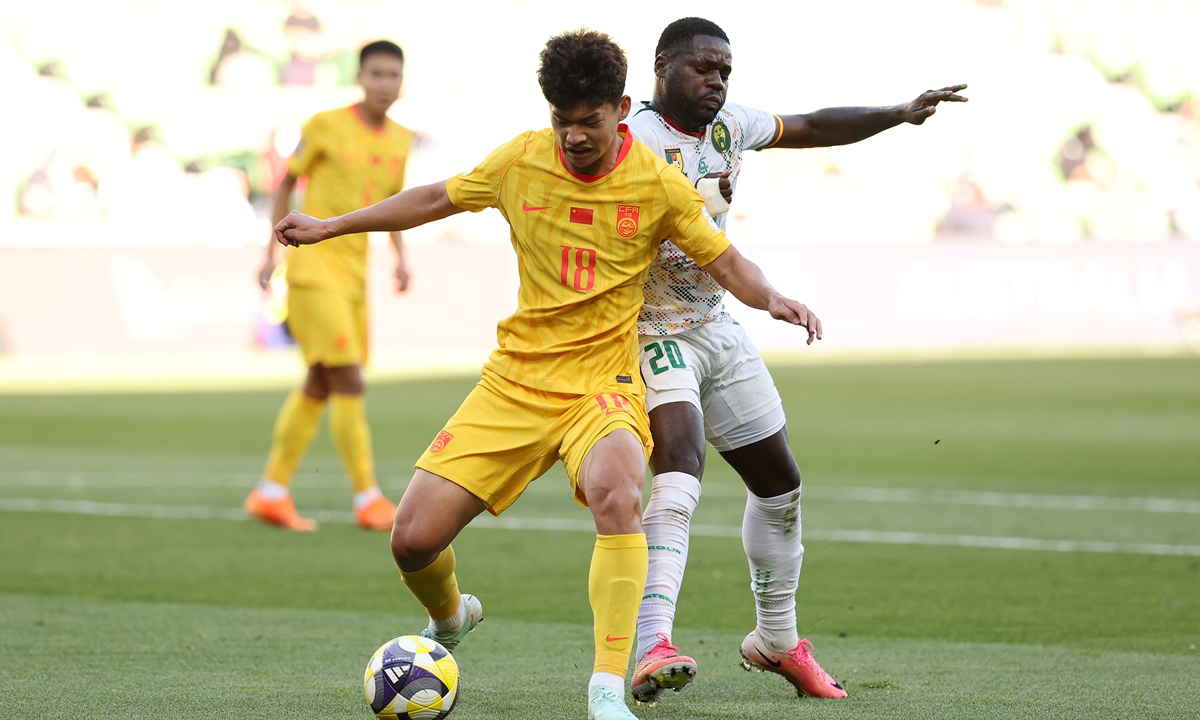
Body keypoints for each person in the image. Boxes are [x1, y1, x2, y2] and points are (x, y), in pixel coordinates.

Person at [272, 29, 821, 720]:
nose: (574, 137)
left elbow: (725, 258)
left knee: (618, 495)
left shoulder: (655, 183)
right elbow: (437, 197)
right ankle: (451, 619)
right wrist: (332, 225)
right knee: (411, 541)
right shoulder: (522, 161)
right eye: (562, 121)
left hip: (603, 386)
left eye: (588, 122)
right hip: (516, 382)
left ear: (620, 109)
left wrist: (772, 299)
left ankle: (604, 690)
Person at [624, 16, 967, 703]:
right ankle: (650, 641)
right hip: (647, 328)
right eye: (701, 67)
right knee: (679, 471)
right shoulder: (629, 137)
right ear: (661, 67)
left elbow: (810, 125)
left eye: (724, 69)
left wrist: (898, 115)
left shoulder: (730, 126)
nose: (716, 79)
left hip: (717, 323)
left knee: (780, 486)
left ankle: (776, 641)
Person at [244, 40, 413, 533]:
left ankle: (271, 491)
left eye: (393, 75)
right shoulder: (324, 124)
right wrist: (269, 252)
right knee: (348, 380)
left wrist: (400, 258)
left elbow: (396, 204)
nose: (385, 83)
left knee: (320, 382)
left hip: (354, 279)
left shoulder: (401, 139)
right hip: (313, 272)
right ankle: (368, 497)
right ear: (360, 77)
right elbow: (284, 182)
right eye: (376, 74)